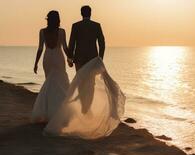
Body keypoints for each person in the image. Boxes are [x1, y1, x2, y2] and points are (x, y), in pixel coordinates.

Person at [43, 6, 125, 139]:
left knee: (80, 84)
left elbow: (71, 43)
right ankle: (86, 109)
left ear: (81, 14)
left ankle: (84, 109)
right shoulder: (96, 25)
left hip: (79, 60)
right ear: (90, 13)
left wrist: (70, 58)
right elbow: (102, 42)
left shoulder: (75, 26)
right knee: (91, 84)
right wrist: (100, 58)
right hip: (93, 59)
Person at [31, 11, 70, 123]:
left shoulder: (42, 31)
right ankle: (59, 112)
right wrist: (70, 58)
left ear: (48, 19)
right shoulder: (62, 31)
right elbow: (65, 48)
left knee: (49, 82)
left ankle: (48, 112)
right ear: (58, 19)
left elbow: (40, 48)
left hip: (47, 57)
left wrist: (36, 63)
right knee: (61, 83)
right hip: (58, 57)